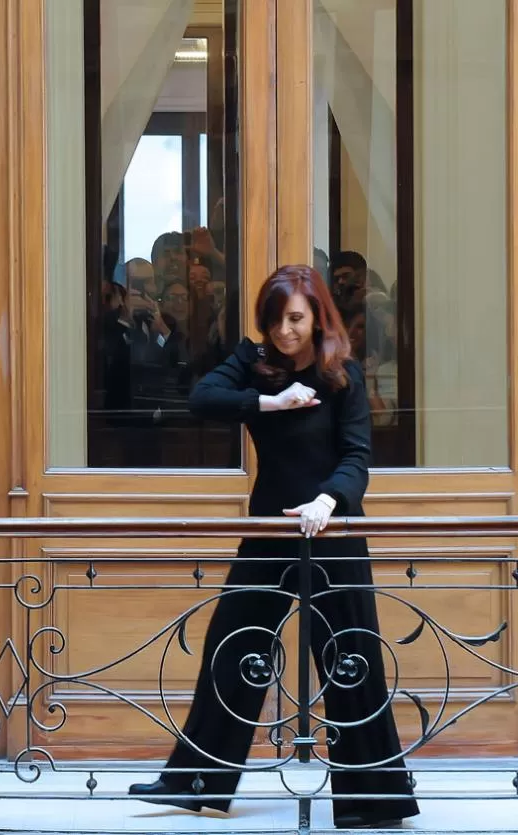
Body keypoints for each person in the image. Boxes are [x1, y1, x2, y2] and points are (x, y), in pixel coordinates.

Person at [128, 265, 420, 830]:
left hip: (330, 531)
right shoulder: (253, 362)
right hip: (269, 529)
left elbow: (357, 456)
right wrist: (271, 403)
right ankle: (197, 781)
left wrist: (327, 504)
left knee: (350, 657)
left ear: (316, 317)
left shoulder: (344, 373)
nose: (285, 331)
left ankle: (373, 798)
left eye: (295, 319)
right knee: (232, 644)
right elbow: (203, 399)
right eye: (276, 319)